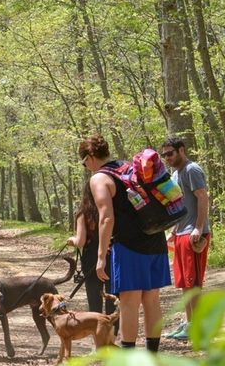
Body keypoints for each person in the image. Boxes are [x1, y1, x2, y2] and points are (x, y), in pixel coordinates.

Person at [79, 134, 170, 353]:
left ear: (91, 157)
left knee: (129, 301)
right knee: (151, 299)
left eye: (84, 163)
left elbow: (106, 217)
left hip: (129, 246)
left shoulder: (99, 178)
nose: (86, 168)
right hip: (156, 238)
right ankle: (152, 356)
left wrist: (101, 257)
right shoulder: (129, 168)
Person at [161, 137, 211, 341]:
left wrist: (198, 228)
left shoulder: (192, 169)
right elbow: (180, 205)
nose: (167, 158)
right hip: (181, 233)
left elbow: (202, 197)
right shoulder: (175, 173)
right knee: (185, 283)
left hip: (194, 234)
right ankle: (189, 323)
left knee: (195, 283)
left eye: (170, 153)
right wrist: (173, 230)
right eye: (164, 155)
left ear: (181, 150)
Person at [66, 182, 116, 317]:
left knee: (94, 295)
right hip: (111, 252)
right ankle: (113, 329)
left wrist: (72, 241)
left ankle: (97, 328)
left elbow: (80, 241)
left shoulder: (83, 213)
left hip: (91, 257)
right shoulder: (112, 209)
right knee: (112, 293)